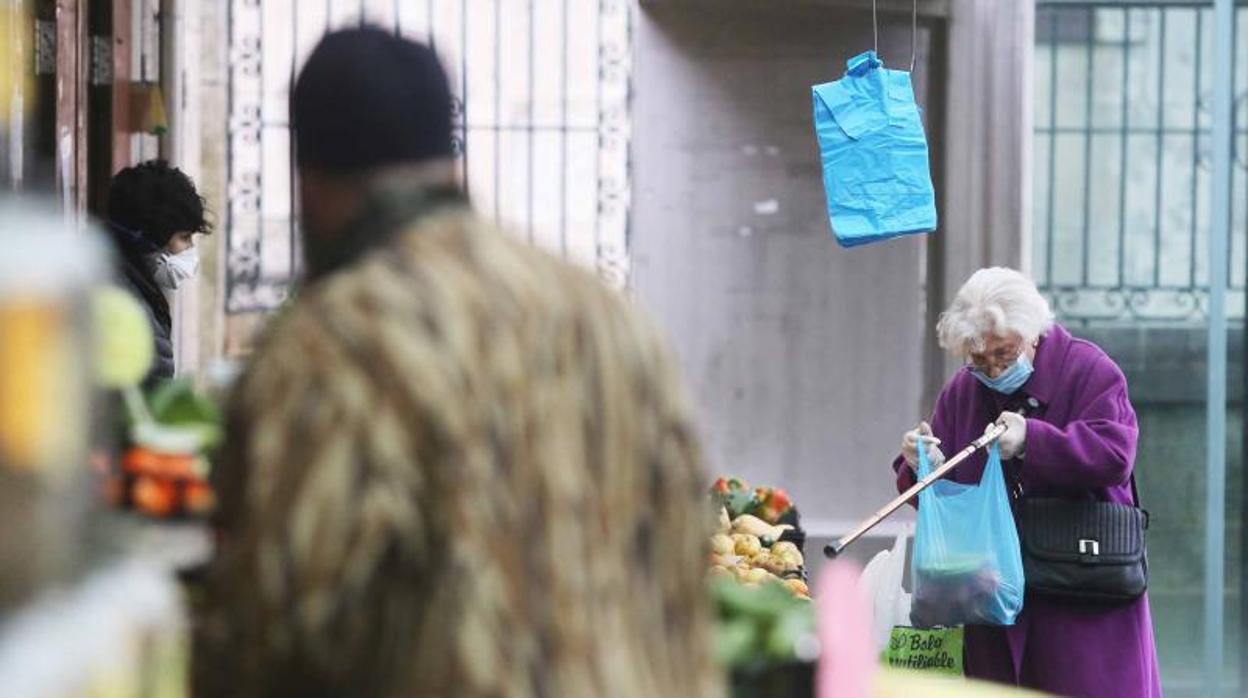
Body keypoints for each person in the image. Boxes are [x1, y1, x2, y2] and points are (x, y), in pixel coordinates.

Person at [193, 28, 718, 698]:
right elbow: (682, 564)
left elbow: (280, 624)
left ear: (309, 182)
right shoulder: (609, 318)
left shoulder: (333, 346)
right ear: (450, 160)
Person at [895, 267, 1160, 696]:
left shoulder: (1089, 370)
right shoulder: (963, 391)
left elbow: (1115, 455)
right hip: (995, 601)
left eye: (1004, 354)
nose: (994, 370)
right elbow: (949, 500)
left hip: (1079, 589)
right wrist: (921, 465)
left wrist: (1032, 441)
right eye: (978, 359)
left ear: (1033, 333)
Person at [104, 160, 210, 385]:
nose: (189, 249)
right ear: (148, 237)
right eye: (184, 237)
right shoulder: (123, 303)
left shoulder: (132, 287)